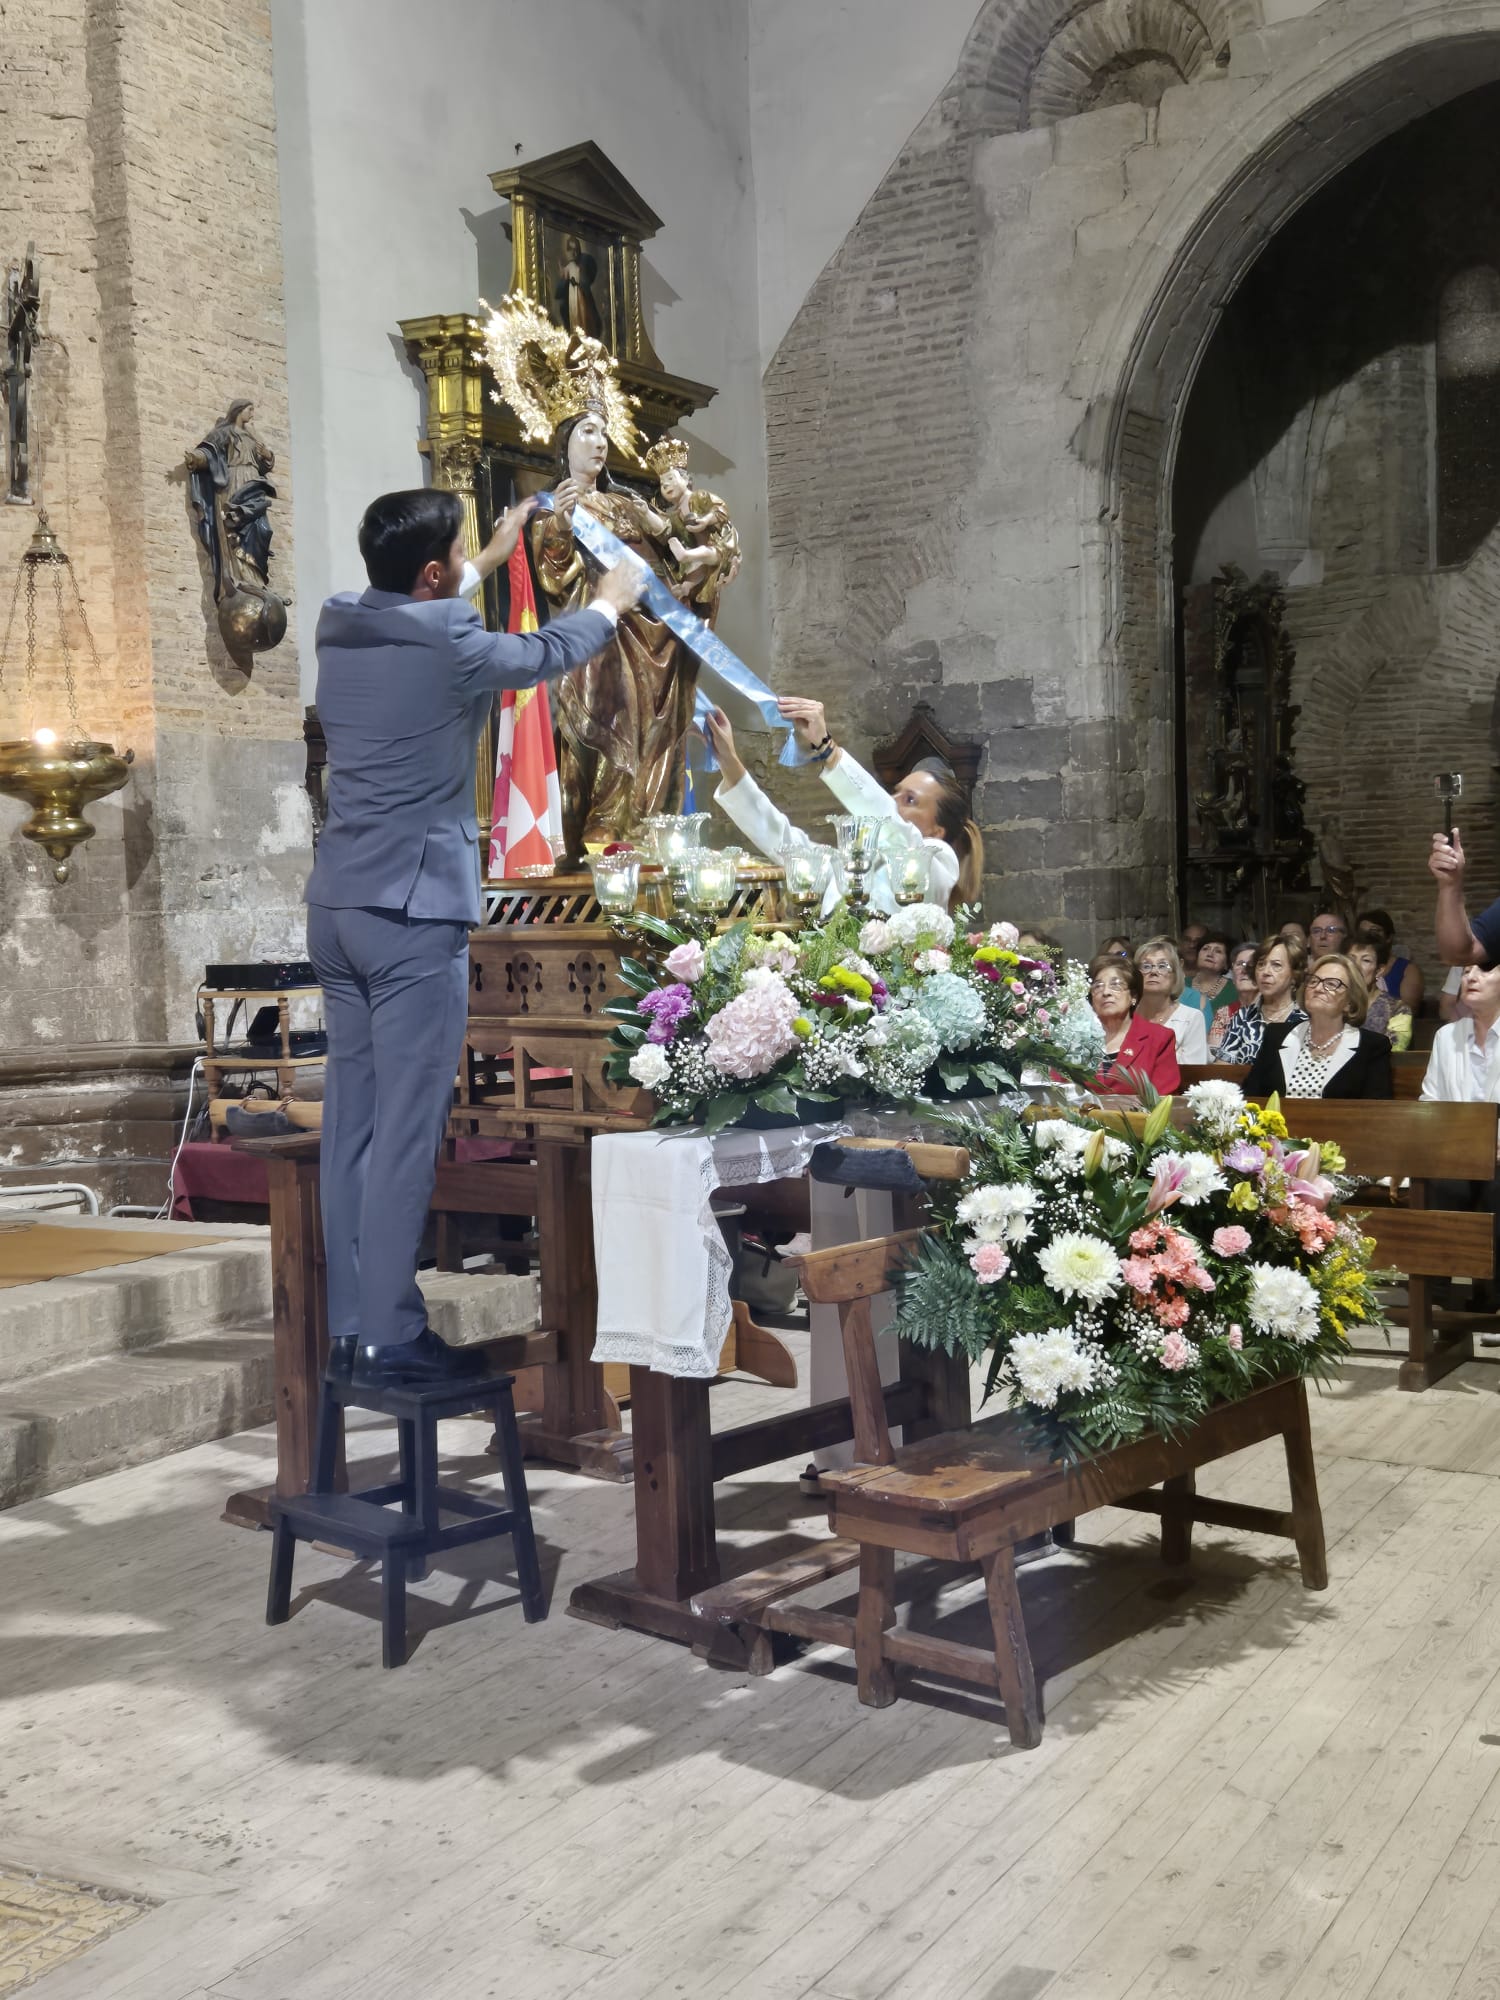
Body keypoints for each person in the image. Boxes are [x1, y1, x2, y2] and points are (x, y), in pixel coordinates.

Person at [306, 488, 646, 1386]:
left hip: (338, 906)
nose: (465, 565)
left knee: (354, 1127)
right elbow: (541, 652)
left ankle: (349, 1322)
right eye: (456, 556)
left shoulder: (340, 625)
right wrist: (610, 599)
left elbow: (425, 613)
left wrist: (489, 558)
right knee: (410, 1131)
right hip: (414, 912)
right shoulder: (454, 645)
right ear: (432, 574)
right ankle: (391, 1333)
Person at [702, 696, 981, 914]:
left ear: (936, 831)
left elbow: (893, 827)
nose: (894, 802)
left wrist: (827, 748)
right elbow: (781, 839)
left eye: (910, 800)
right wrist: (728, 759)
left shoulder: (939, 862)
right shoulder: (853, 865)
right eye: (894, 793)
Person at [1421, 959, 1500, 1313]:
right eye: (1466, 971)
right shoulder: (1446, 1036)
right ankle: (1435, 1302)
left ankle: (1494, 1298)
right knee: (1443, 1181)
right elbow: (1431, 1101)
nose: (1470, 977)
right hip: (1457, 1153)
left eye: (1483, 971)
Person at [1243, 952, 1393, 1098]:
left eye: (1332, 984)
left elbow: (1376, 1111)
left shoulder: (1372, 1047)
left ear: (1350, 1002)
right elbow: (1251, 1096)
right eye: (1314, 981)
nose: (1319, 988)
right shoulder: (1276, 1036)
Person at [1086, 954, 1182, 1098]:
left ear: (1133, 996)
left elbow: (1164, 1098)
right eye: (1098, 986)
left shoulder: (1159, 1039)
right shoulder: (1076, 1039)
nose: (1106, 992)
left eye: (1116, 985)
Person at [1216, 934, 1308, 1063]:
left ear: (1294, 974)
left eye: (1276, 965)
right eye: (1261, 964)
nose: (1266, 972)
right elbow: (1222, 1067)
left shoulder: (1305, 1022)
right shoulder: (1243, 1017)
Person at [1133, 937, 1209, 1064]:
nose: (1154, 971)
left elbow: (1192, 1070)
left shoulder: (1191, 1018)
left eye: (1162, 966)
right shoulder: (1126, 1016)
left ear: (1175, 975)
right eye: (1146, 966)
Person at [1355, 907, 1424, 1013]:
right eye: (1363, 932)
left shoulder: (1407, 970)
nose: (1368, 936)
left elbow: (1407, 1011)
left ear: (1389, 937)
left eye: (1374, 931)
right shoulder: (1349, 965)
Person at [1348, 937, 1412, 1049]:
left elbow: (1394, 1050)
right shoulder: (1334, 1002)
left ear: (1379, 970)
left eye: (1366, 960)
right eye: (1351, 959)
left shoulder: (1398, 1009)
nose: (1356, 966)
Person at [1179, 928, 1236, 1030]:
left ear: (1227, 963)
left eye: (1218, 951)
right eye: (1205, 949)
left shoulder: (1235, 990)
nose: (1210, 954)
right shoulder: (1181, 985)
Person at [1208, 940, 1260, 1051]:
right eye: (1240, 964)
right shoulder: (1224, 1013)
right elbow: (1214, 1055)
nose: (1244, 970)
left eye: (1252, 965)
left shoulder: (1274, 1012)